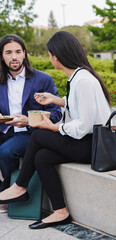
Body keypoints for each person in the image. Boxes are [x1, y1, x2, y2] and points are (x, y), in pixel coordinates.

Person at [0, 31, 111, 229]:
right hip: (87, 141)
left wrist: (54, 127)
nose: (50, 58)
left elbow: (84, 125)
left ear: (57, 56)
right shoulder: (78, 77)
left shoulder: (83, 80)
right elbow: (79, 105)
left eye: (50, 54)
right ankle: (60, 211)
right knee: (42, 157)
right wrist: (57, 100)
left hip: (93, 146)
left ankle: (19, 187)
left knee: (40, 135)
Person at [0, 34, 62, 213]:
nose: (14, 57)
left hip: (31, 133)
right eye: (8, 52)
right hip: (4, 129)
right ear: (1, 56)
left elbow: (56, 114)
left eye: (18, 52)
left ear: (25, 54)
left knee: (5, 151)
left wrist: (29, 120)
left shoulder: (42, 79)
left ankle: (6, 191)